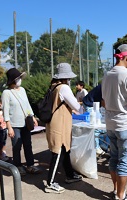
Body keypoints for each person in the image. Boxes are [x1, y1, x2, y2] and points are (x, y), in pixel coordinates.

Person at [102, 44, 127, 200]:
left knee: (114, 158)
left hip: (110, 123)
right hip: (126, 124)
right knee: (125, 162)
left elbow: (104, 102)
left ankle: (116, 191)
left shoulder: (106, 74)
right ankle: (121, 196)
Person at [45, 63, 82, 194]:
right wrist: (81, 105)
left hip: (55, 122)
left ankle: (70, 175)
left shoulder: (53, 86)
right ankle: (50, 183)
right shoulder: (64, 88)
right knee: (58, 151)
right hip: (59, 124)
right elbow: (76, 106)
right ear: (66, 77)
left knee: (65, 149)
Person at [2, 68, 41, 176]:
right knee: (16, 146)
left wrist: (32, 117)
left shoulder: (22, 90)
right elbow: (5, 111)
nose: (20, 80)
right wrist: (8, 126)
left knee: (28, 144)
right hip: (14, 125)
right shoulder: (6, 93)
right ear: (13, 80)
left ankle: (30, 165)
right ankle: (18, 166)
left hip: (25, 123)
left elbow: (27, 105)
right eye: (18, 78)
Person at [82, 84, 106, 155]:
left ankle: (97, 145)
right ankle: (96, 148)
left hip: (94, 104)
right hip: (89, 104)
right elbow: (104, 103)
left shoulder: (107, 84)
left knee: (98, 124)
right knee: (95, 126)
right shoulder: (105, 87)